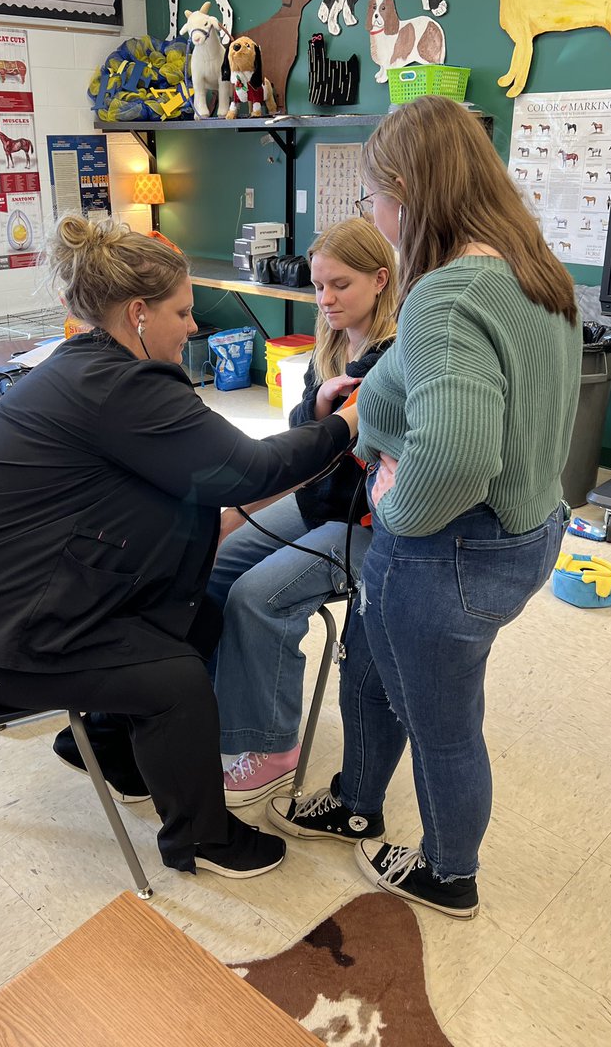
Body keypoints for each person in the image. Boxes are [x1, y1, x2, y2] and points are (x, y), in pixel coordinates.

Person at [0, 216, 358, 880]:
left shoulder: (89, 365)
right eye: (183, 313)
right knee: (177, 680)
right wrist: (345, 424)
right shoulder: (123, 388)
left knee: (194, 615)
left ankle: (105, 745)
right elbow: (247, 470)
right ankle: (201, 839)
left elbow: (198, 472)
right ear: (138, 313)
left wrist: (311, 426)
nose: (192, 328)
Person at [267, 96, 581, 919]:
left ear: (406, 192)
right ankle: (357, 801)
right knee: (372, 667)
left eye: (374, 196)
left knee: (442, 723)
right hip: (522, 530)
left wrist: (395, 509)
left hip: (447, 548)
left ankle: (449, 873)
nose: (373, 214)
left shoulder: (445, 296)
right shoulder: (535, 272)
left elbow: (460, 455)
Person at [209, 219, 398, 805]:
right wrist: (317, 406)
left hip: (368, 526)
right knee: (211, 564)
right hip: (318, 502)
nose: (326, 299)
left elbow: (366, 455)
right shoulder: (331, 344)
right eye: (318, 286)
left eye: (340, 285)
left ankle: (271, 749)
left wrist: (333, 425)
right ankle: (220, 707)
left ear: (380, 279)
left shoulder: (397, 358)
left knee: (254, 597)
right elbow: (302, 441)